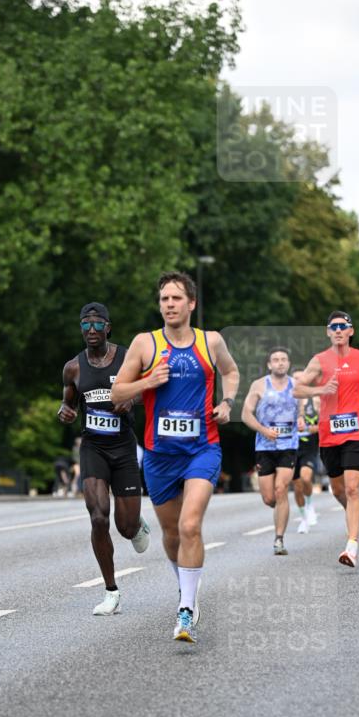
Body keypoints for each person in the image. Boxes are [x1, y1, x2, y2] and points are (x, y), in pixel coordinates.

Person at [111, 272, 239, 642]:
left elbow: (230, 371)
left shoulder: (210, 341)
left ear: (191, 304)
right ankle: (187, 586)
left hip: (202, 448)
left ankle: (186, 608)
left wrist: (227, 402)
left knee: (189, 526)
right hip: (159, 455)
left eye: (176, 298)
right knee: (170, 533)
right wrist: (147, 382)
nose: (169, 305)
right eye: (164, 299)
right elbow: (118, 392)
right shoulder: (144, 344)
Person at [58, 301, 151, 616]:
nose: (92, 330)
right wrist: (66, 411)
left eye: (98, 324)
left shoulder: (127, 359)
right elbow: (68, 402)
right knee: (98, 516)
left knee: (124, 528)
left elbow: (149, 390)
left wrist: (131, 398)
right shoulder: (73, 367)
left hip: (124, 448)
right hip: (93, 448)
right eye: (86, 324)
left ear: (108, 327)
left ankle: (136, 525)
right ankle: (111, 591)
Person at [293, 311, 359, 568]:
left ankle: (351, 546)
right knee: (339, 490)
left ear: (351, 331)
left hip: (356, 433)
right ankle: (352, 514)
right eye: (334, 327)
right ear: (328, 332)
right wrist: (320, 389)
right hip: (329, 435)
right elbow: (298, 389)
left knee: (353, 488)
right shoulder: (320, 361)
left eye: (343, 326)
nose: (339, 331)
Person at [242, 347, 301, 555]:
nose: (280, 363)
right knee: (269, 498)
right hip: (264, 446)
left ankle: (279, 539)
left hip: (289, 445)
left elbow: (304, 408)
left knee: (281, 489)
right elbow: (246, 414)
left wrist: (301, 419)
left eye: (284, 359)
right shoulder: (259, 385)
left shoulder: (297, 386)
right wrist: (263, 430)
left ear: (289, 363)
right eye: (275, 360)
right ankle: (280, 508)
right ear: (269, 365)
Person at [293, 395, 320, 533]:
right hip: (291, 448)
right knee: (297, 487)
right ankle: (304, 519)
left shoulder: (315, 400)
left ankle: (310, 505)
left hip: (309, 447)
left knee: (306, 478)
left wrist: (312, 428)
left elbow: (326, 422)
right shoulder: (287, 401)